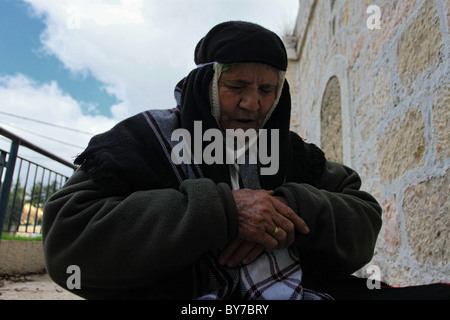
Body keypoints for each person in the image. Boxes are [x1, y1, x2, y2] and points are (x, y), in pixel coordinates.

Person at [41, 21, 447, 300]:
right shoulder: (143, 140)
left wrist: (289, 209)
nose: (253, 103)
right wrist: (223, 211)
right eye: (237, 85)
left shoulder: (294, 154)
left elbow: (363, 217)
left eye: (268, 89)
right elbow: (68, 242)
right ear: (207, 83)